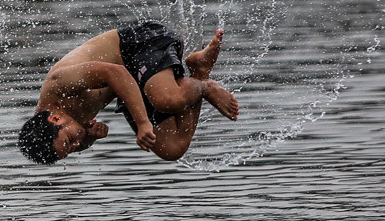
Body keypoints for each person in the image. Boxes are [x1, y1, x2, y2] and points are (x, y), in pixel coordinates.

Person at [18, 21, 239, 163]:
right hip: (130, 84)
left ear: (56, 118)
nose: (76, 146)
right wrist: (91, 139)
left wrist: (143, 123)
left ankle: (205, 86)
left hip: (137, 46)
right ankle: (199, 71)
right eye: (70, 151)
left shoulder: (60, 84)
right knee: (171, 149)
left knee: (167, 100)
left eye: (70, 142)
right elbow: (78, 140)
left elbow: (116, 73)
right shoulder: (59, 129)